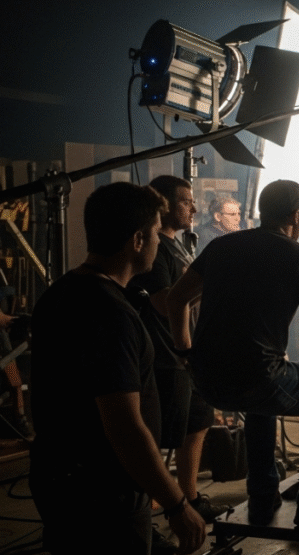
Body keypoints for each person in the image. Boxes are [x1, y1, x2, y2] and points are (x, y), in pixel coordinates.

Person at [166, 179, 299, 529]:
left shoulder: (222, 247)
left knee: (261, 402)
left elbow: (177, 299)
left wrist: (184, 351)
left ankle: (262, 492)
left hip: (207, 381)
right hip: (258, 379)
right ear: (296, 215)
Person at [28, 182, 206, 554]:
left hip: (60, 479)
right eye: (157, 234)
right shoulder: (111, 315)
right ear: (138, 240)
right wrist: (176, 504)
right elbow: (124, 426)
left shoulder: (59, 293)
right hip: (103, 494)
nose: (160, 243)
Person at [129, 176, 228, 527]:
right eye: (186, 201)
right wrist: (209, 287)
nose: (194, 208)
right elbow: (163, 303)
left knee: (197, 425)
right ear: (165, 205)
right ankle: (153, 509)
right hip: (169, 357)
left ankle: (190, 498)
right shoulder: (157, 252)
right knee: (159, 438)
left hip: (189, 356)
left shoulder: (178, 246)